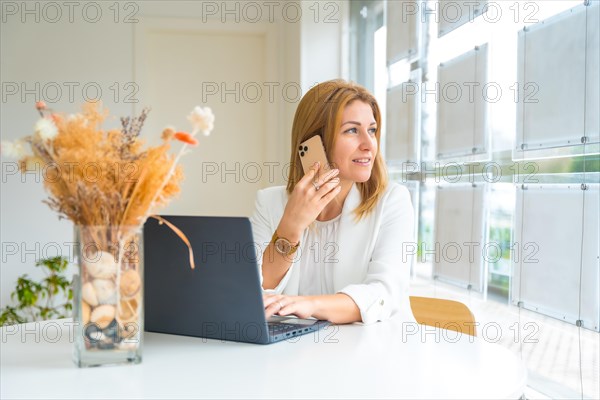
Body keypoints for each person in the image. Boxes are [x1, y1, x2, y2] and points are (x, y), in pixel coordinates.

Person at [250, 79, 415, 325]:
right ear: (314, 141)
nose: (369, 144)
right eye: (352, 130)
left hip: (374, 351)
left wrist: (309, 304)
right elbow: (253, 288)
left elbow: (383, 292)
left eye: (371, 130)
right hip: (294, 353)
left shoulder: (392, 201)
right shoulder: (270, 202)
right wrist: (290, 227)